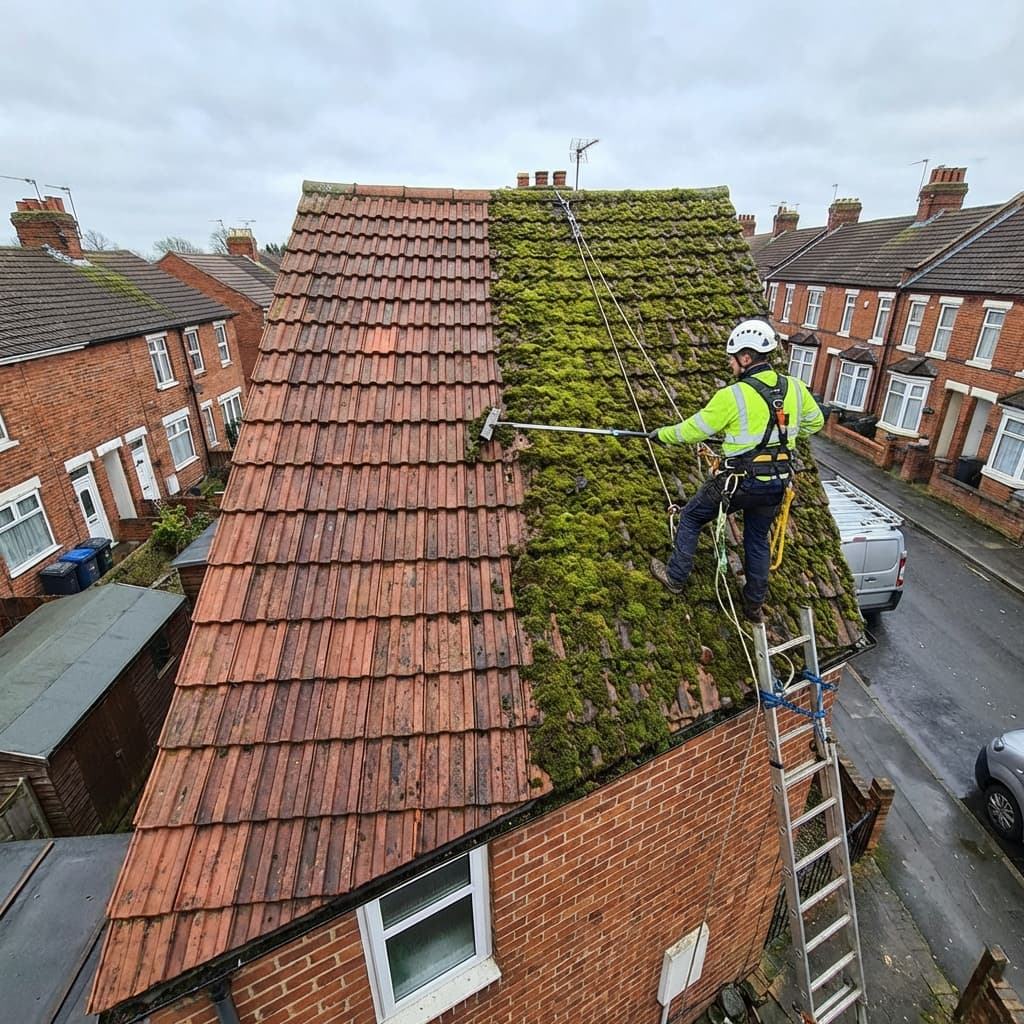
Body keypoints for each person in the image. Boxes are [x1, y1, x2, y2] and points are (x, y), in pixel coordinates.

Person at [648, 319, 824, 623]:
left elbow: (693, 430)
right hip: (776, 484)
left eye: (733, 358)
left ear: (746, 357)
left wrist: (661, 435)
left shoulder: (733, 395)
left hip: (738, 484)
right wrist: (781, 436)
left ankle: (675, 576)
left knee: (691, 516)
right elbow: (815, 423)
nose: (730, 364)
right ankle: (754, 606)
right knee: (756, 538)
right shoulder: (795, 388)